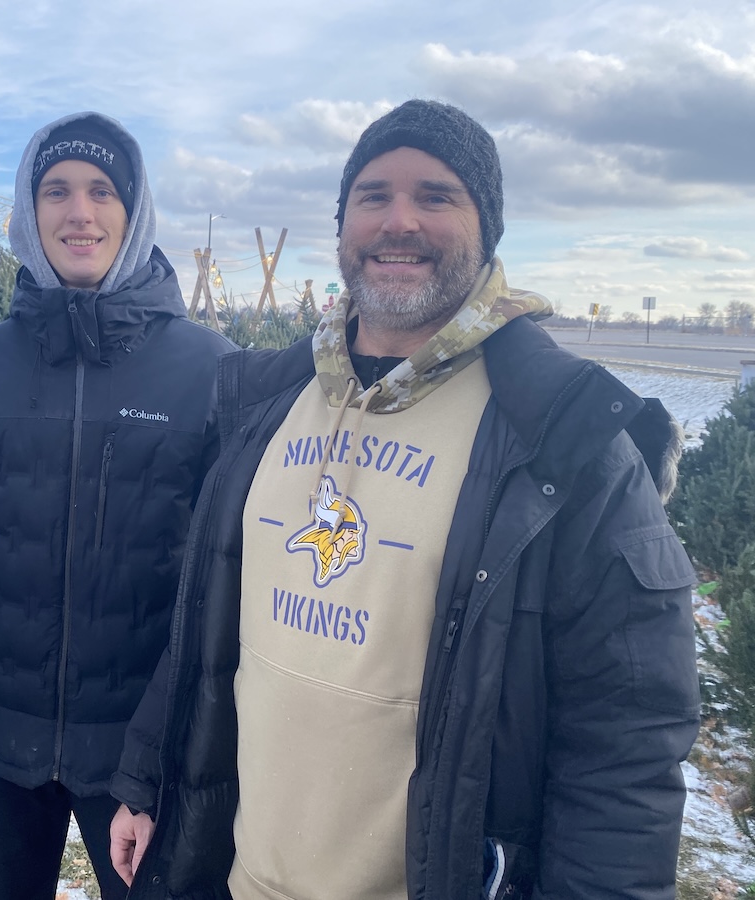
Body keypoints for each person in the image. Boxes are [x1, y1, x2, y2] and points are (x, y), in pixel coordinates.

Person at [108, 99, 701, 899]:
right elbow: (205, 628)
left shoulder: (563, 441)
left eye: (436, 196)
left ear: (487, 229)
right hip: (243, 878)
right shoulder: (265, 404)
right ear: (343, 224)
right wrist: (147, 780)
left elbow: (624, 747)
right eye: (374, 195)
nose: (399, 221)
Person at [0, 111, 235, 900]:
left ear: (134, 210)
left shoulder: (209, 369)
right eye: (57, 191)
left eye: (103, 190)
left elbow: (223, 573)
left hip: (140, 746)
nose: (80, 212)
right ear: (28, 209)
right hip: (2, 735)